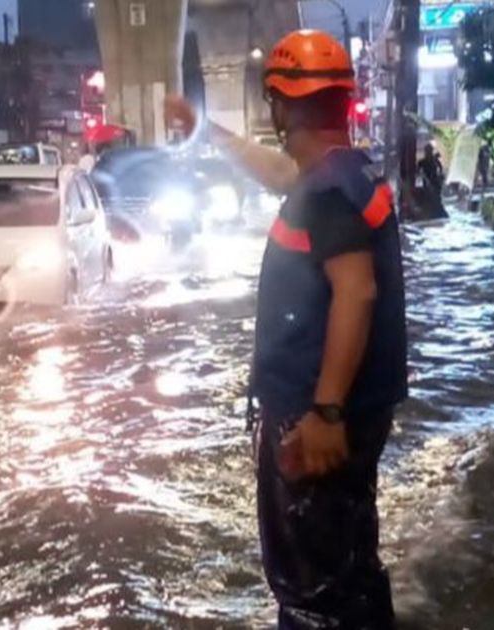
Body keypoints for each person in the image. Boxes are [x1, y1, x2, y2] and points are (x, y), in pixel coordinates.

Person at [169, 30, 407, 628]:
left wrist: (324, 413)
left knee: (311, 589)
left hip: (315, 416)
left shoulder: (327, 194)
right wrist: (207, 131)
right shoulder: (342, 175)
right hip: (347, 410)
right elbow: (279, 173)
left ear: (279, 106)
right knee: (349, 565)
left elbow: (357, 291)